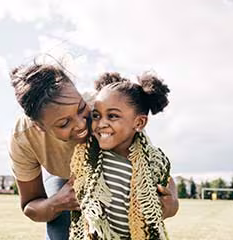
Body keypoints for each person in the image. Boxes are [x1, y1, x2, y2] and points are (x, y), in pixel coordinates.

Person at [8, 63, 178, 240]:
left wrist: (171, 202)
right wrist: (57, 203)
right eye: (64, 123)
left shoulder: (106, 111)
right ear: (39, 126)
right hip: (64, 179)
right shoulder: (24, 137)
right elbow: (30, 206)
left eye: (82, 109)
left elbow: (154, 168)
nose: (82, 125)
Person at [69, 72, 175, 239]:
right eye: (96, 115)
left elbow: (167, 180)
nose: (101, 123)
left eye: (112, 116)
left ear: (139, 123)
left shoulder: (151, 160)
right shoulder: (89, 155)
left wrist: (173, 203)